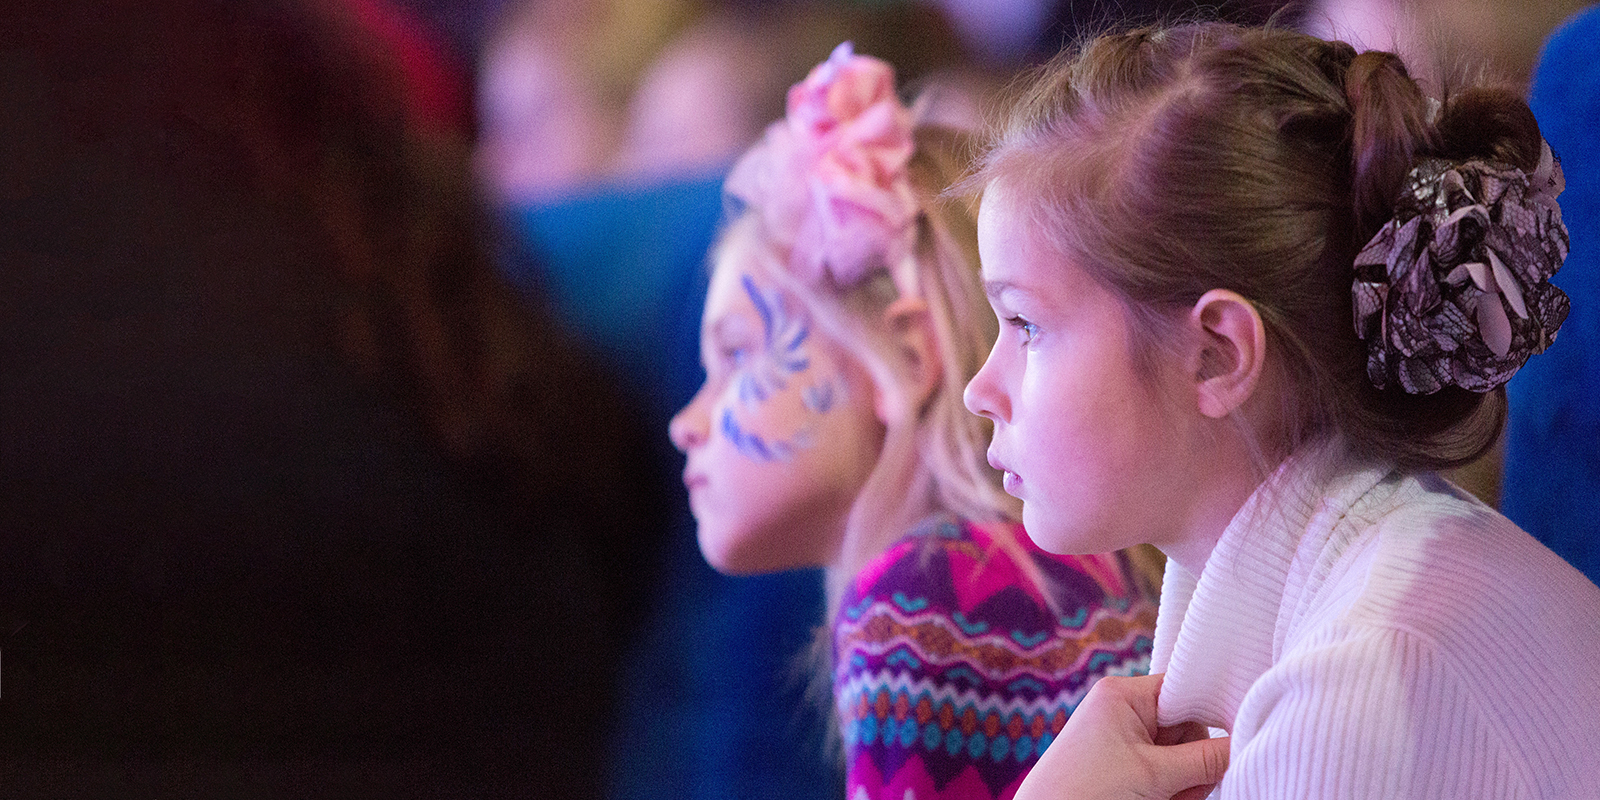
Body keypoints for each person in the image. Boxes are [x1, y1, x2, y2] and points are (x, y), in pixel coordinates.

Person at [958, 21, 1600, 800]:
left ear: (1218, 354)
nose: (980, 389)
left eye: (1026, 324)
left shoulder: (1360, 680)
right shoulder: (1358, 581)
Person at [668, 43, 1161, 800]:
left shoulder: (919, 602)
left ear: (901, 353)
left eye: (737, 355)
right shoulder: (1070, 561)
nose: (687, 423)